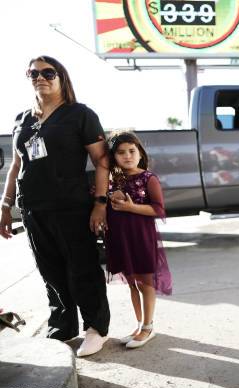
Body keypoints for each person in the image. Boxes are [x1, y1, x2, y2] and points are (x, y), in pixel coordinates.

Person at [0, 55, 110, 357]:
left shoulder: (79, 114)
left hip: (72, 206)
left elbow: (102, 160)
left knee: (82, 268)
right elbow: (16, 164)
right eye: (33, 73)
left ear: (62, 77)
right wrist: (5, 205)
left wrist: (100, 203)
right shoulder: (23, 119)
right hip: (34, 208)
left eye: (48, 72)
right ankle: (61, 327)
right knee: (50, 270)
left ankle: (95, 328)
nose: (41, 77)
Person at [105, 131, 172, 349]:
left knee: (145, 282)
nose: (127, 156)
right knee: (132, 283)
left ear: (140, 153)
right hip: (119, 238)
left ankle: (148, 326)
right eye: (121, 152)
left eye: (132, 151)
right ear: (113, 156)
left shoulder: (148, 178)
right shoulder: (111, 179)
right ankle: (139, 324)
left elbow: (159, 209)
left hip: (141, 237)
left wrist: (132, 207)